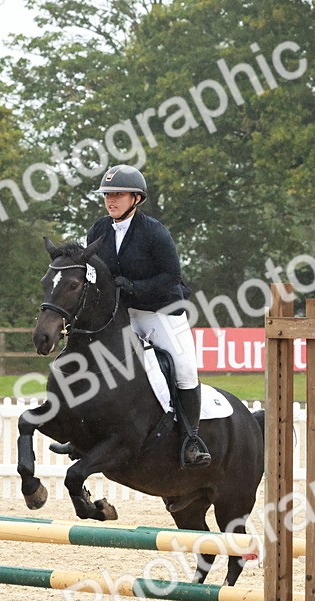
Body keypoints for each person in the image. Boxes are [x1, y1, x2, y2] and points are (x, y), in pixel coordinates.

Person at [86, 164, 211, 468]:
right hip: (124, 314)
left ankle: (191, 439)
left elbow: (171, 275)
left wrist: (133, 286)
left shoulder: (154, 231)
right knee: (95, 360)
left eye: (118, 194)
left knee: (183, 370)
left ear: (136, 198)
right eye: (107, 195)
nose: (111, 200)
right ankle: (83, 431)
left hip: (161, 311)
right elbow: (91, 270)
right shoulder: (99, 230)